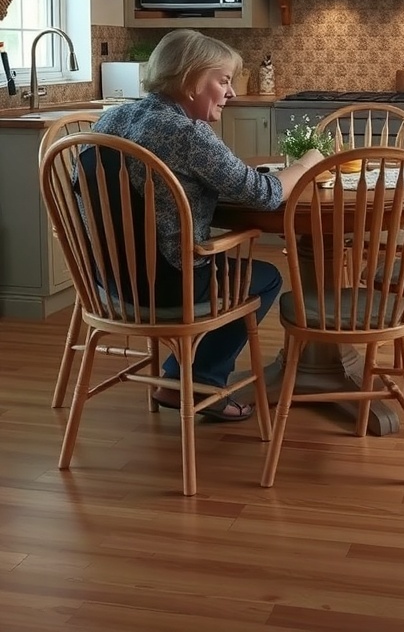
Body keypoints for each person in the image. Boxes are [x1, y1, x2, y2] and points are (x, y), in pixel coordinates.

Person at [92, 29, 324, 421]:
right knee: (265, 277)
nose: (231, 93)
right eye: (224, 80)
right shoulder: (188, 133)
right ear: (190, 79)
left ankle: (175, 378)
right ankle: (202, 381)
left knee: (237, 274)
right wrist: (305, 166)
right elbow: (265, 194)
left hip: (108, 278)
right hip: (166, 284)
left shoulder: (112, 117)